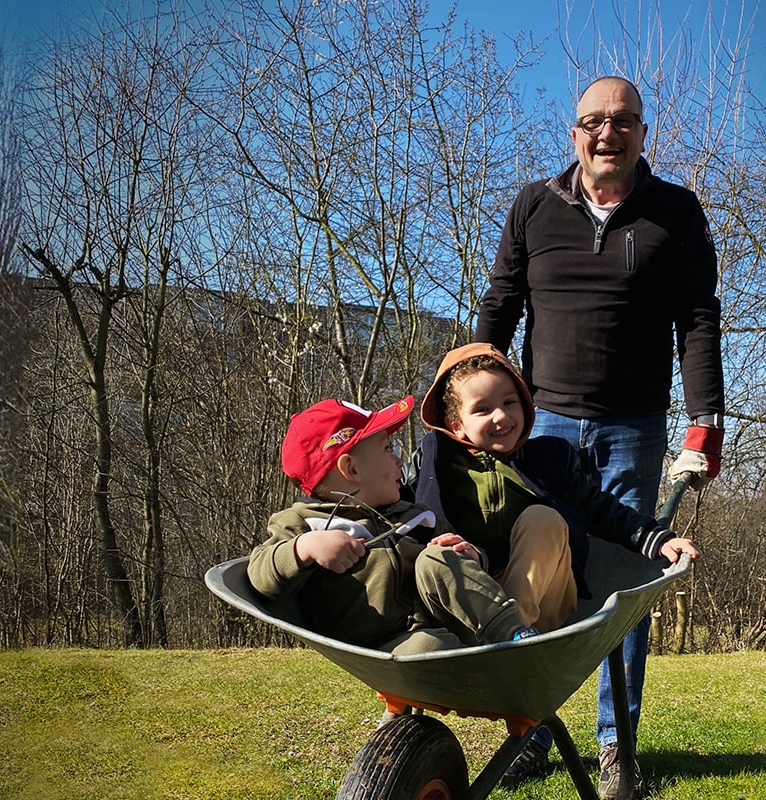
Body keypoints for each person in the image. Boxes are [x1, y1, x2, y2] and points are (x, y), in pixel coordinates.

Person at [474, 75, 726, 798]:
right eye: (593, 121)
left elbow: (698, 319)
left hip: (633, 428)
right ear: (573, 134)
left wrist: (704, 419)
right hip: (539, 426)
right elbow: (501, 303)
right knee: (535, 574)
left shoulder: (676, 213)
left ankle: (617, 748)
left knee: (623, 588)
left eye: (622, 121)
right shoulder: (534, 206)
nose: (606, 133)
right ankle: (531, 730)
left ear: (643, 132)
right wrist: (465, 395)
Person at [412, 342, 699, 787]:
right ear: (457, 424)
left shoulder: (548, 459)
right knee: (436, 554)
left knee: (542, 518)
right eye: (483, 408)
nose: (501, 416)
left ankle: (517, 645)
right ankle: (494, 637)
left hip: (543, 597)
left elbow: (603, 509)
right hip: (476, 601)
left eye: (510, 402)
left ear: (526, 406)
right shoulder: (438, 462)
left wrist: (656, 539)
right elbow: (409, 513)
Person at [247, 395, 538, 655]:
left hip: (446, 619)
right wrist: (303, 548)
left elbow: (469, 559)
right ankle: (480, 668)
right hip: (384, 644)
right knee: (430, 648)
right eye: (388, 449)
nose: (400, 461)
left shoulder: (414, 514)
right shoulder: (305, 523)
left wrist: (472, 554)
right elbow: (259, 573)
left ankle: (515, 636)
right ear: (351, 469)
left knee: (439, 556)